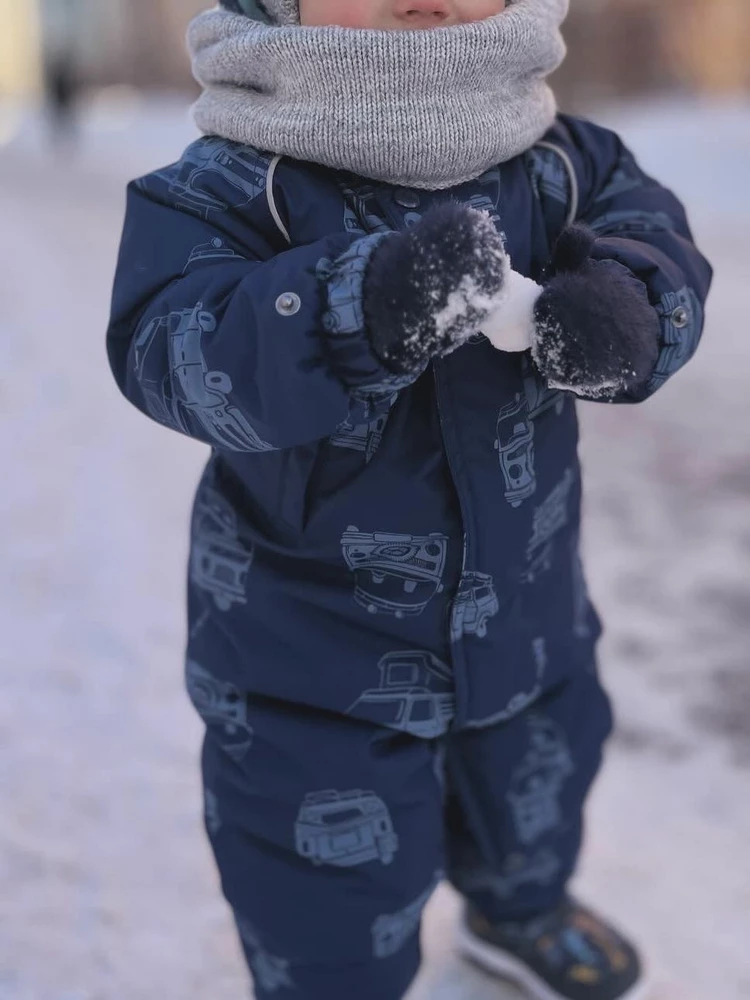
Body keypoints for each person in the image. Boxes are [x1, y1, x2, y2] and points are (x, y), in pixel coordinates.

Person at [106, 2, 712, 998]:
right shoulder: (230, 184)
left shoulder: (560, 161)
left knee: (539, 790)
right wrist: (354, 307)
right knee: (320, 886)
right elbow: (170, 346)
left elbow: (654, 235)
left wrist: (631, 305)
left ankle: (519, 909)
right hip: (307, 659)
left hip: (528, 611)